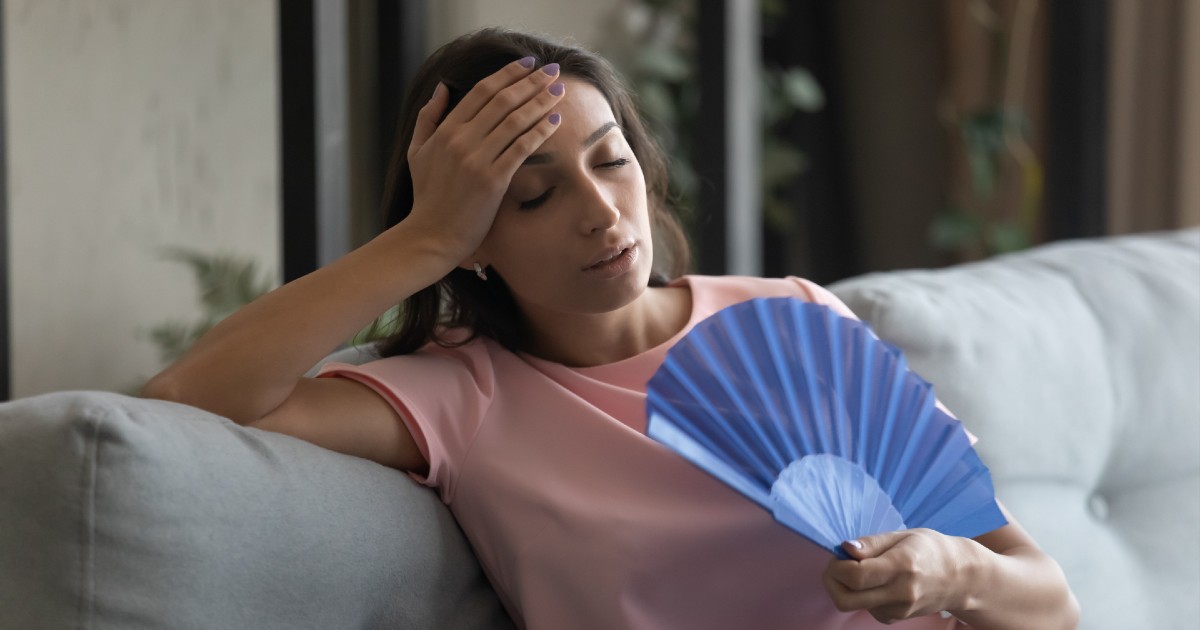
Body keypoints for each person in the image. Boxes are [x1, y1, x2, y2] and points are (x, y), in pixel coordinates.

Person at [142, 28, 1079, 629]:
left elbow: (1050, 601)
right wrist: (422, 237)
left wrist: (947, 569)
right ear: (471, 239)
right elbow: (187, 400)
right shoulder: (462, 399)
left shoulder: (791, 317)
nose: (601, 213)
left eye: (611, 160)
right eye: (535, 196)